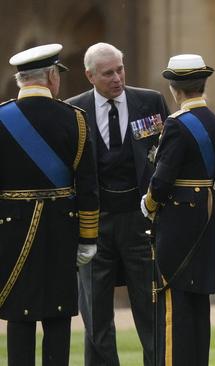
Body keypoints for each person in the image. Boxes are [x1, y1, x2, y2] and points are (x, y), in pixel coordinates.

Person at [67, 42, 170, 366]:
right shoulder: (74, 111)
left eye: (120, 69)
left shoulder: (150, 102)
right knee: (96, 317)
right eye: (108, 73)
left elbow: (167, 156)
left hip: (141, 222)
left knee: (151, 309)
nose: (117, 78)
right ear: (90, 76)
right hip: (95, 224)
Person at [0, 44, 98, 365]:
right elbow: (88, 187)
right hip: (61, 232)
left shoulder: (1, 118)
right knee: (58, 319)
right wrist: (88, 238)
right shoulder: (77, 120)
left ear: (20, 80)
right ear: (53, 76)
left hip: (11, 233)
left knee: (19, 317)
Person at [140, 54, 215, 366]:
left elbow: (161, 181)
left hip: (176, 221)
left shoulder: (177, 124)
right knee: (198, 306)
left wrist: (148, 205)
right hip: (205, 216)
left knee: (173, 306)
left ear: (174, 88)